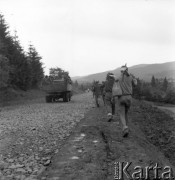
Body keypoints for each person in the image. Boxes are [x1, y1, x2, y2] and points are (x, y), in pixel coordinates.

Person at [114, 65, 137, 137]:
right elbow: (135, 84)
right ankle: (126, 127)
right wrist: (134, 78)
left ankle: (125, 128)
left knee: (121, 114)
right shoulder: (131, 77)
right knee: (126, 113)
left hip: (121, 98)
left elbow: (115, 80)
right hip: (129, 97)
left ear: (121, 70)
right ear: (127, 70)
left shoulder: (119, 77)